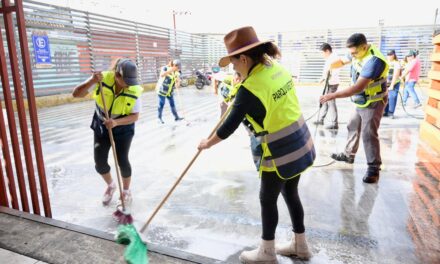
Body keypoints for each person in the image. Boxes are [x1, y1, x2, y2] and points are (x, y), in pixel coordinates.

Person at [198, 26, 315, 263]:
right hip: (299, 140)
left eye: (234, 64)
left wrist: (207, 143)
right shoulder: (275, 68)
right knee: (291, 192)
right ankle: (300, 246)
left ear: (243, 58)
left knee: (267, 198)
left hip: (278, 149)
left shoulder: (248, 90)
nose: (233, 69)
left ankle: (267, 252)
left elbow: (227, 127)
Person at [72, 58, 143, 206]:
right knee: (100, 163)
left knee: (122, 160)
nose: (129, 85)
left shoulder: (134, 89)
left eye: (131, 81)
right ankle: (111, 185)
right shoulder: (101, 79)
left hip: (123, 126)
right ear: (117, 75)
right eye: (126, 81)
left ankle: (126, 192)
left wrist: (116, 122)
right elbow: (76, 94)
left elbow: (135, 116)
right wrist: (91, 81)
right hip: (101, 124)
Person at [320, 33, 389, 184]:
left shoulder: (375, 61)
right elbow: (343, 61)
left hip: (373, 101)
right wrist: (331, 66)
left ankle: (374, 168)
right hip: (360, 101)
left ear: (364, 47)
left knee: (368, 133)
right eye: (351, 53)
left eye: (354, 53)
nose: (352, 56)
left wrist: (332, 95)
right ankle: (348, 154)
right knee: (352, 125)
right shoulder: (357, 52)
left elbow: (358, 87)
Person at [314, 43, 340, 129]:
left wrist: (326, 78)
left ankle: (334, 123)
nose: (322, 55)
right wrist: (323, 78)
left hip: (332, 84)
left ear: (327, 51)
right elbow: (327, 72)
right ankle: (321, 119)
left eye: (322, 52)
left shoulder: (334, 58)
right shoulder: (330, 58)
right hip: (328, 83)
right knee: (324, 101)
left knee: (331, 103)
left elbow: (333, 73)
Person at [156, 59, 184, 124]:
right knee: (161, 104)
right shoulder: (165, 68)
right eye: (178, 67)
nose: (179, 69)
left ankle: (176, 117)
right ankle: (159, 118)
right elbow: (162, 75)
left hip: (169, 91)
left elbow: (177, 84)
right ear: (174, 65)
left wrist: (178, 81)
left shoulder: (177, 73)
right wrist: (171, 70)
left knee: (172, 104)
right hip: (162, 90)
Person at [383, 50, 401, 118]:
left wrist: (392, 85)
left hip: (394, 83)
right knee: (385, 97)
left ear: (394, 55)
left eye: (391, 54)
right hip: (385, 83)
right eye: (388, 55)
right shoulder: (385, 62)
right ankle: (385, 112)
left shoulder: (396, 63)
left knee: (392, 97)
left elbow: (396, 75)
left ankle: (391, 113)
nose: (389, 56)